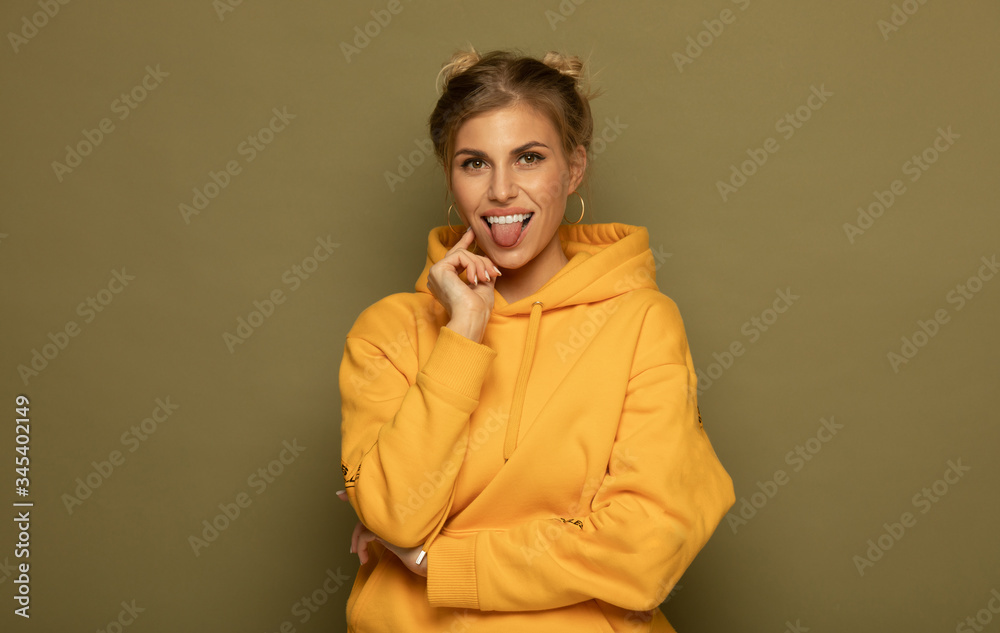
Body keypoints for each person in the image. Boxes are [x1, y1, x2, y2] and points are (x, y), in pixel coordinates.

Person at [335, 45, 734, 632]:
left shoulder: (642, 322)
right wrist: (463, 335)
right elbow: (396, 515)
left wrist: (435, 561)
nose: (501, 191)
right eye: (474, 163)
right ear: (451, 176)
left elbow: (646, 548)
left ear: (573, 169)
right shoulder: (386, 332)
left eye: (528, 158)